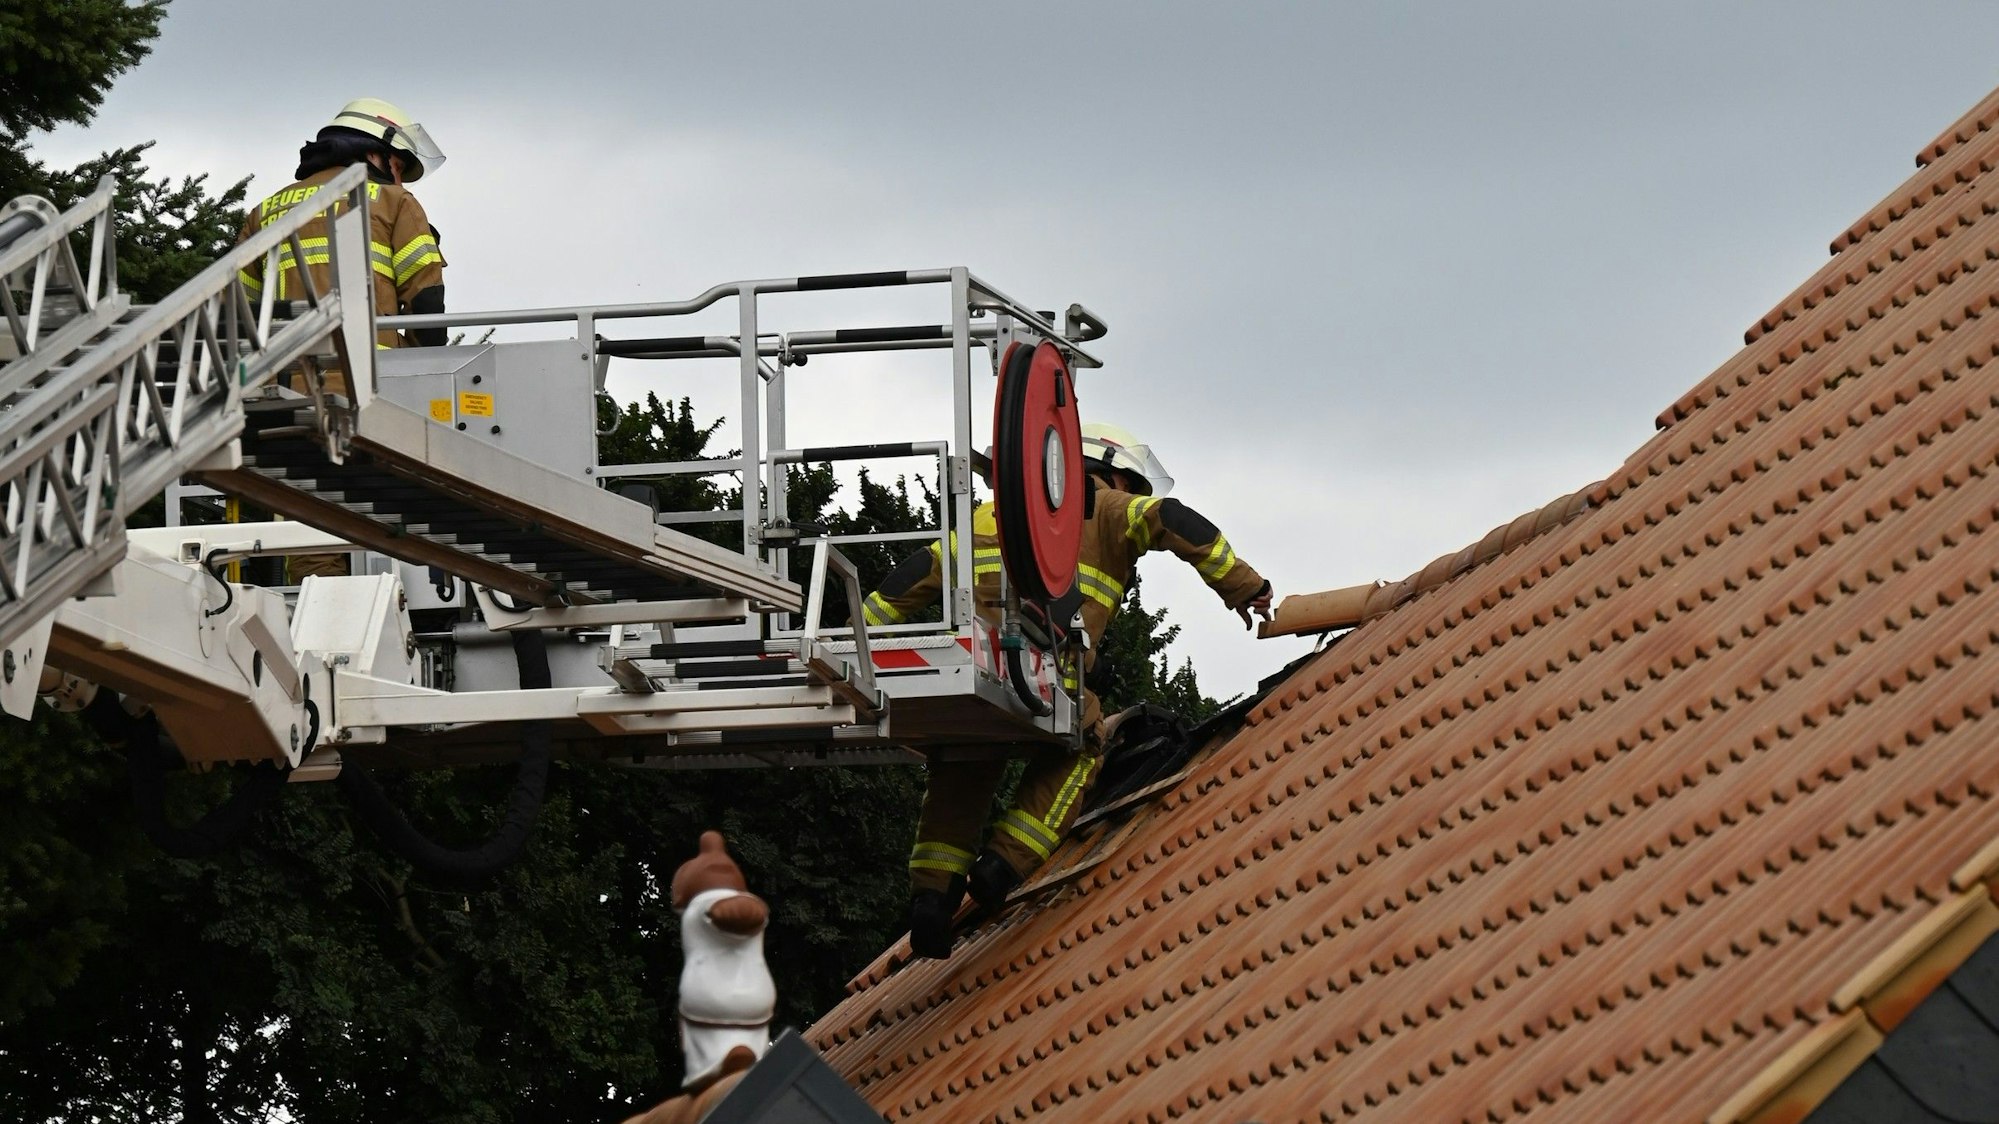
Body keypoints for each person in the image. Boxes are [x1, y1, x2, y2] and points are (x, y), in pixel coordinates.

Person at [860, 422, 1274, 958]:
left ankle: (932, 901)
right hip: (1046, 675)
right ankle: (1000, 867)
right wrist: (1247, 587)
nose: (1132, 496)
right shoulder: (1103, 507)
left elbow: (911, 576)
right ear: (1106, 472)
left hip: (973, 677)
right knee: (1085, 746)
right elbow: (1173, 519)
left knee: (963, 763)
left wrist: (855, 643)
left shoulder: (987, 517)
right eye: (1130, 483)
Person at [234, 96, 450, 393]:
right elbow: (426, 303)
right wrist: (423, 374)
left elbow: (239, 311)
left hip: (278, 388)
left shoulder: (265, 212)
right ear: (375, 154)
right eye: (398, 167)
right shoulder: (393, 202)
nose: (399, 181)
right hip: (370, 384)